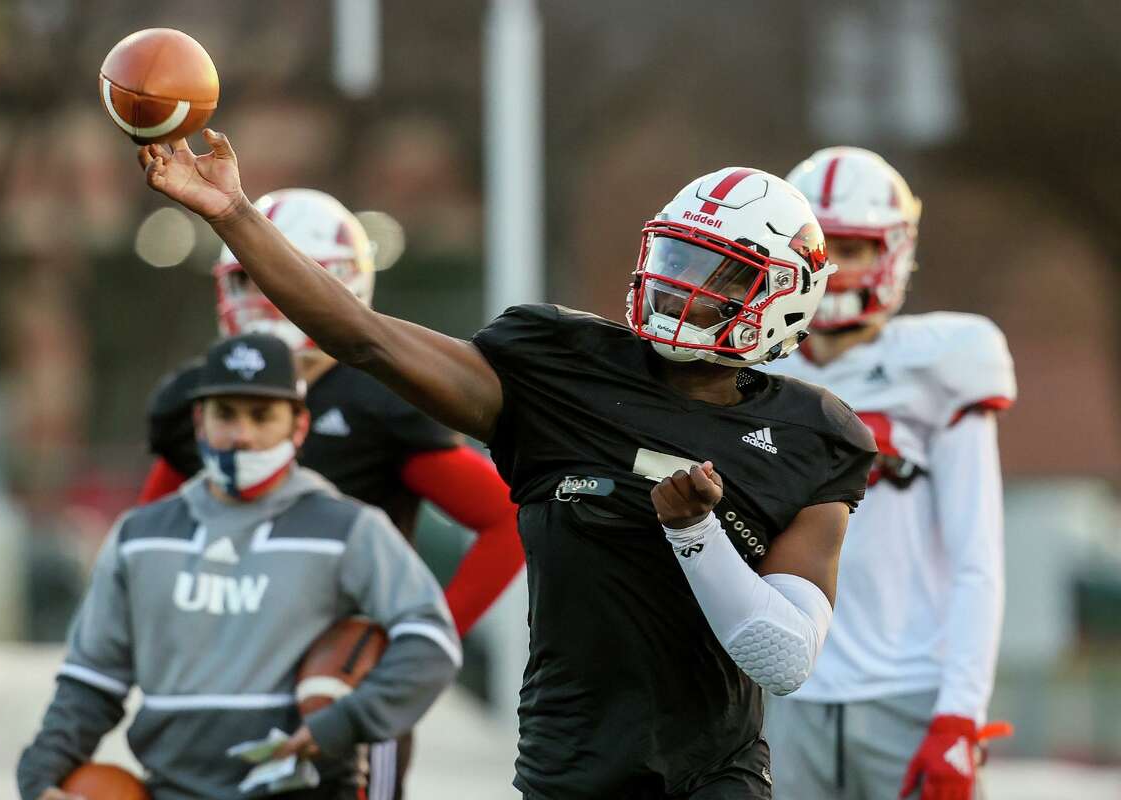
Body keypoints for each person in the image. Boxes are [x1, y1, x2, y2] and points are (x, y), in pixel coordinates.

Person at [138, 132, 876, 799]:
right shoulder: (560, 368)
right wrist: (232, 212)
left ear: (781, 294)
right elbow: (363, 338)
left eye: (716, 273)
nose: (680, 283)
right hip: (572, 767)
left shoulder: (815, 435)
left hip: (713, 775)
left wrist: (696, 536)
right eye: (675, 257)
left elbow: (783, 659)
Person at [137, 189, 523, 800]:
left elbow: (506, 518)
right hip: (227, 677)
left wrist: (416, 646)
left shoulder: (377, 400)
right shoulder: (200, 394)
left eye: (277, 277)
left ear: (336, 284)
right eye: (246, 279)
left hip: (338, 682)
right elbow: (144, 542)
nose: (261, 297)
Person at [17, 332, 461, 800]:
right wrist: (40, 771)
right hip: (173, 789)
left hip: (306, 788)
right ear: (199, 422)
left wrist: (347, 719)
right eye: (225, 414)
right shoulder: (139, 537)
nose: (242, 435)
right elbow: (91, 681)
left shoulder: (350, 529)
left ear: (298, 426)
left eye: (261, 415)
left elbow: (431, 641)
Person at [760, 147, 1016, 800]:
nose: (836, 267)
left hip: (910, 693)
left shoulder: (945, 363)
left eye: (854, 247)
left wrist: (961, 713)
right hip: (780, 689)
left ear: (894, 252)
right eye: (819, 247)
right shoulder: (752, 372)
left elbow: (976, 557)